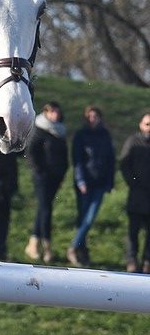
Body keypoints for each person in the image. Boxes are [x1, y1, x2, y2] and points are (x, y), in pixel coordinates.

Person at [67, 105, 115, 266]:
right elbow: (78, 161)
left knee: (89, 218)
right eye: (90, 116)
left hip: (100, 183)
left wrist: (110, 182)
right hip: (85, 183)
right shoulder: (81, 135)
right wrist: (80, 181)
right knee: (83, 220)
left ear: (100, 118)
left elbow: (111, 160)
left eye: (95, 116)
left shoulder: (105, 135)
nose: (93, 119)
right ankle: (79, 251)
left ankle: (74, 248)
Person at [24, 101, 68, 264]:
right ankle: (46, 246)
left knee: (44, 208)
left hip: (56, 178)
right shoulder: (39, 130)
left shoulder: (61, 131)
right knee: (46, 208)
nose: (55, 114)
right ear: (46, 112)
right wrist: (40, 171)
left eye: (57, 111)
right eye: (52, 111)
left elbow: (64, 155)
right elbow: (31, 153)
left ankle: (33, 243)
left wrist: (62, 173)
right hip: (42, 177)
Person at [119, 113, 150, 273]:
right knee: (133, 231)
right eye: (147, 124)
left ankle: (147, 262)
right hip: (137, 194)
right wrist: (132, 181)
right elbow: (124, 163)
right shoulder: (133, 141)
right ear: (141, 125)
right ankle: (131, 260)